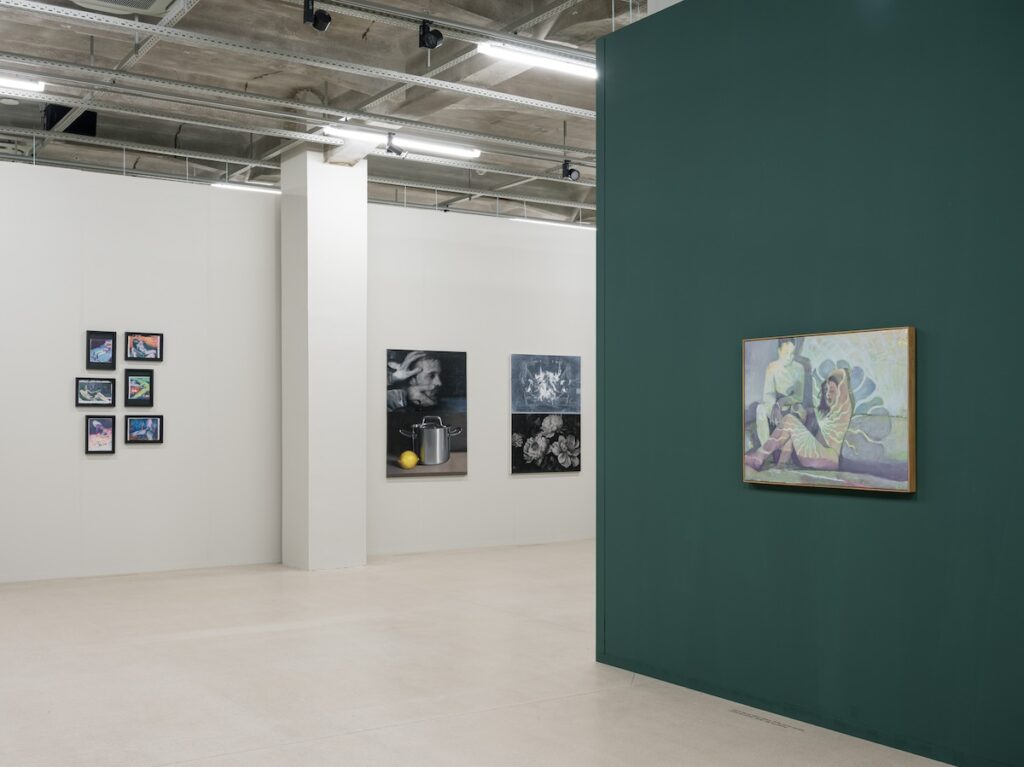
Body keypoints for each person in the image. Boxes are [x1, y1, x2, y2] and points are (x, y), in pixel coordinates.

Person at [745, 367, 853, 472]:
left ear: (840, 393)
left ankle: (759, 457)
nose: (828, 394)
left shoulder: (843, 410)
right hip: (819, 453)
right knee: (791, 425)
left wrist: (830, 378)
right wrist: (798, 409)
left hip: (829, 458)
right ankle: (781, 465)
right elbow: (807, 412)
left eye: (832, 391)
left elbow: (841, 375)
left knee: (790, 420)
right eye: (826, 390)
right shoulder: (824, 412)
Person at [755, 338, 805, 446]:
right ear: (779, 351)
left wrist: (781, 402)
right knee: (760, 409)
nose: (789, 357)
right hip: (775, 407)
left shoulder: (799, 368)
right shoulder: (772, 368)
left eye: (792, 353)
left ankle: (789, 446)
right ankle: (766, 447)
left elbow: (799, 397)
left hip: (791, 406)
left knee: (800, 411)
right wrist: (775, 406)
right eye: (786, 353)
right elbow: (768, 394)